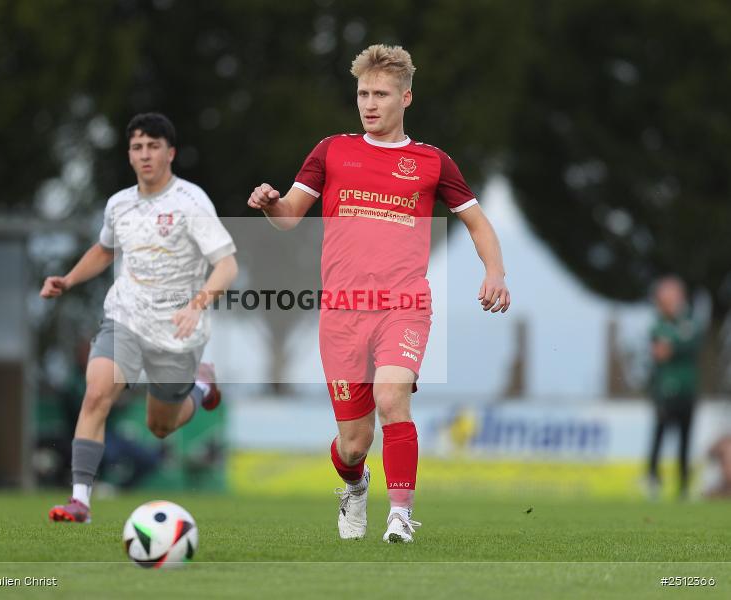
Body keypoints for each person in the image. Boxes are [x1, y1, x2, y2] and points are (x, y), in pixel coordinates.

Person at [248, 45, 510, 543]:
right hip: (342, 314)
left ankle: (400, 515)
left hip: (403, 305)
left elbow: (477, 222)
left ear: (405, 97)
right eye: (363, 94)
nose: (370, 103)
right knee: (354, 442)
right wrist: (269, 204)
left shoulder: (432, 162)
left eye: (381, 94)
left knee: (392, 398)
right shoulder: (331, 151)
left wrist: (494, 272)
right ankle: (354, 484)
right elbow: (287, 219)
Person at [41, 112, 237, 523]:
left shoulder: (191, 202)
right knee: (96, 394)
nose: (145, 154)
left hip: (176, 329)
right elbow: (105, 250)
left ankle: (200, 386)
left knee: (160, 426)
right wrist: (69, 279)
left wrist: (197, 304)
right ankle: (80, 500)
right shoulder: (120, 204)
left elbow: (227, 266)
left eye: (153, 146)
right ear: (130, 154)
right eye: (137, 147)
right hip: (124, 318)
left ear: (170, 153)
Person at [646, 276, 704, 499]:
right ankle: (652, 478)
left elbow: (685, 343)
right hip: (664, 391)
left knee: (685, 438)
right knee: (659, 434)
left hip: (687, 390)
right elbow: (659, 351)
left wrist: (673, 344)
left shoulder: (690, 321)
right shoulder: (658, 324)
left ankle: (683, 486)